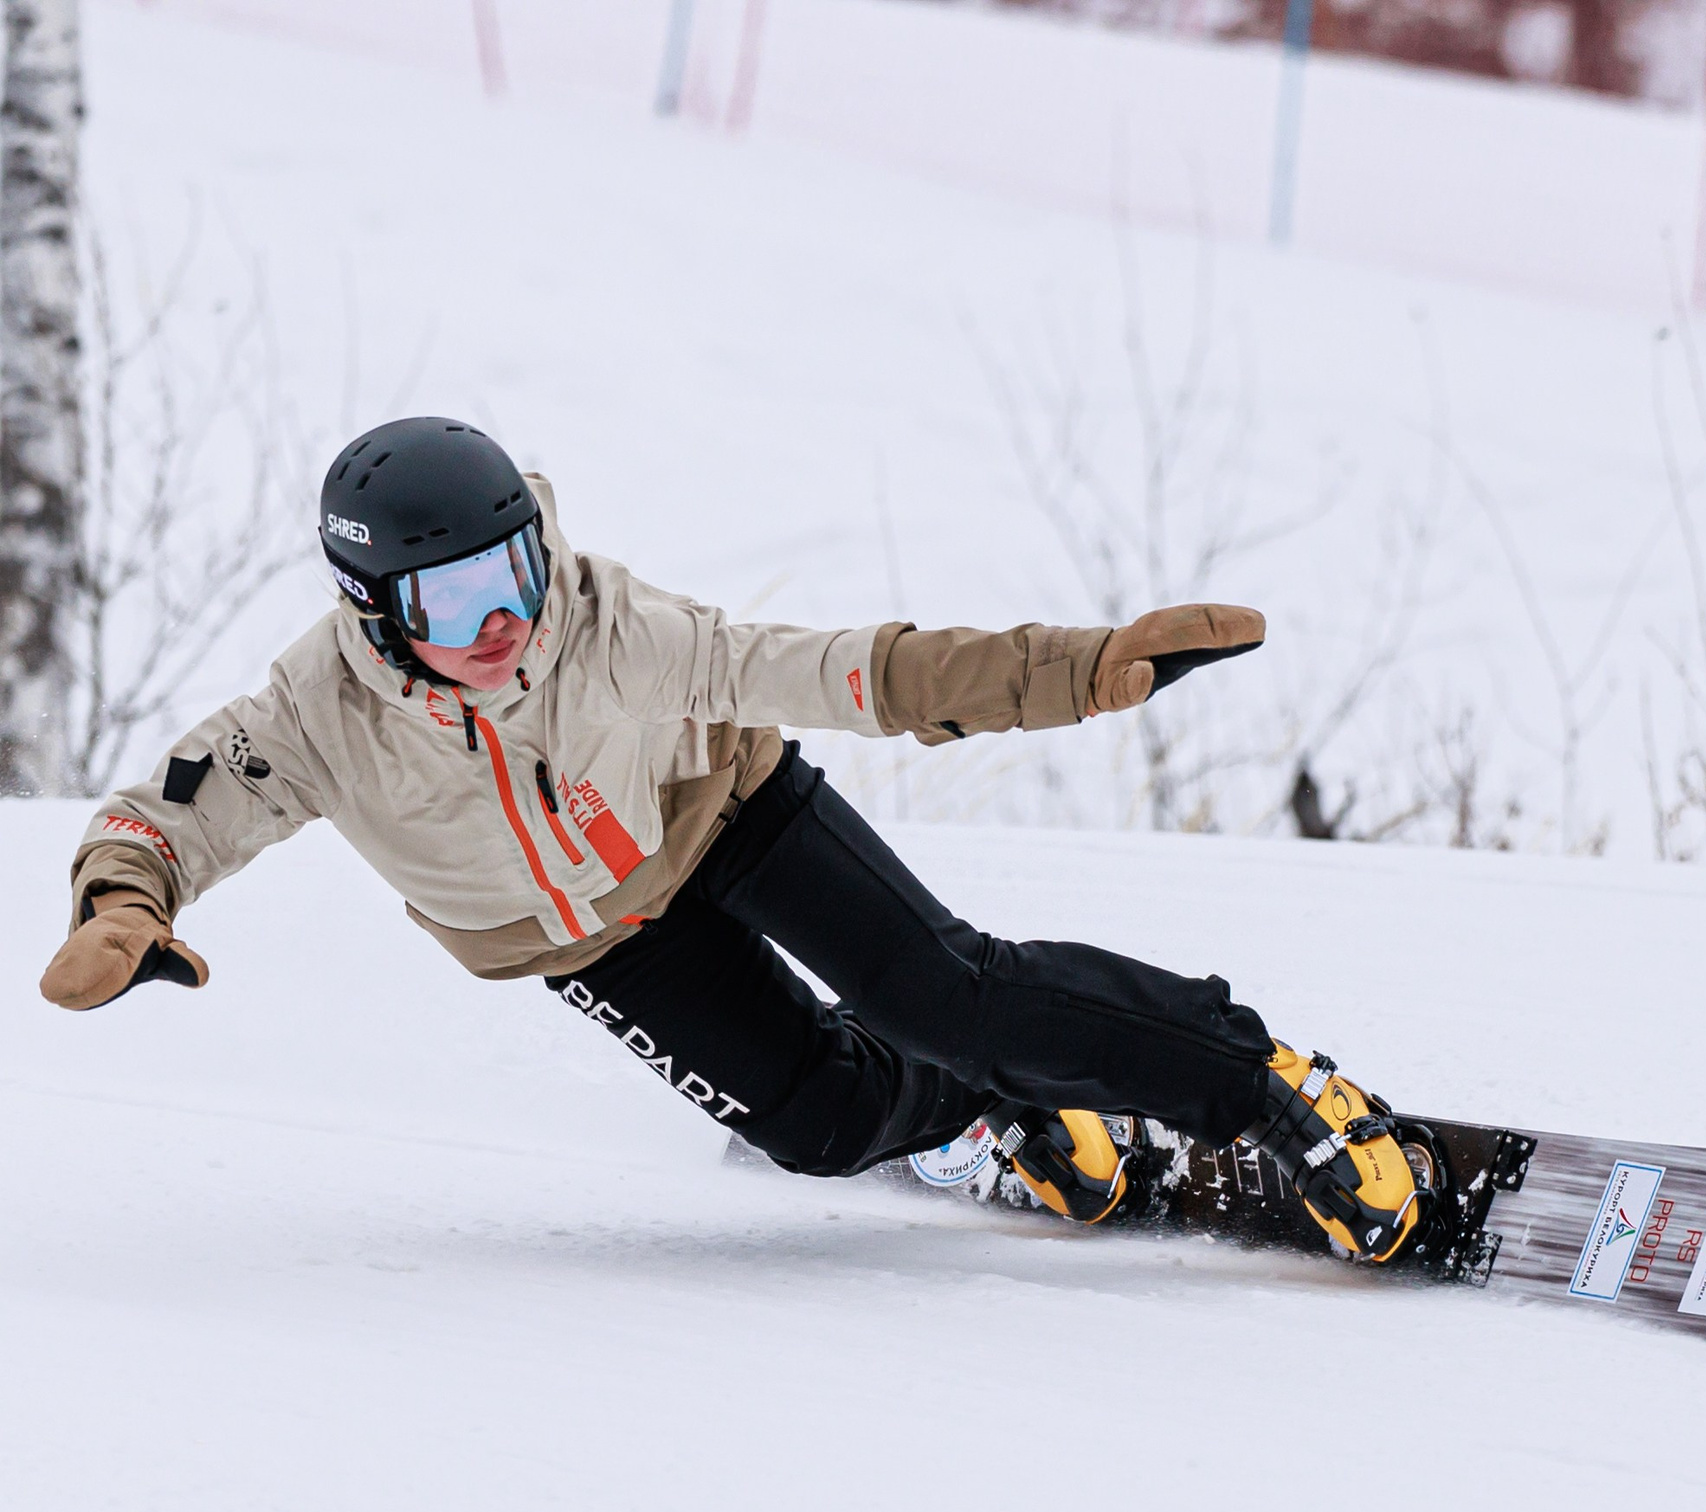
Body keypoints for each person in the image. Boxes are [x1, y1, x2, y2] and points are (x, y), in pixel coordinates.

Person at [37, 417, 1425, 1263]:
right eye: (456, 601)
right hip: (581, 932)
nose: (505, 620)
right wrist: (122, 900)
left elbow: (843, 670)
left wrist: (1076, 667)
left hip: (729, 813)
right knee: (825, 1124)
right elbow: (174, 808)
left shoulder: (605, 627)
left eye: (511, 570)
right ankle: (990, 1103)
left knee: (953, 995)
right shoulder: (319, 712)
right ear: (375, 610)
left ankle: (1265, 1082)